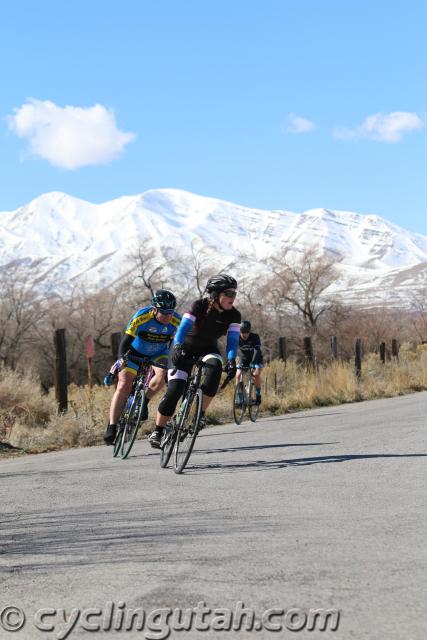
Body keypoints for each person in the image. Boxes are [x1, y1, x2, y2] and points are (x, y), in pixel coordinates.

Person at [149, 274, 241, 448]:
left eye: (234, 294)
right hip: (184, 348)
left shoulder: (234, 315)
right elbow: (183, 328)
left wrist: (231, 360)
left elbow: (233, 340)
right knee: (175, 390)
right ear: (215, 294)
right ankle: (158, 431)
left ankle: (200, 415)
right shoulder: (199, 305)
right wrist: (176, 346)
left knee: (215, 367)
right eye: (228, 293)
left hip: (207, 350)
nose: (232, 297)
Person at [103, 289, 181, 445]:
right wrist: (121, 360)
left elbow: (180, 343)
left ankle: (144, 402)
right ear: (154, 310)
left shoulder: (176, 320)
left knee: (162, 377)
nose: (167, 316)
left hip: (158, 354)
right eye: (163, 312)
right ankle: (112, 426)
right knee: (124, 382)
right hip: (135, 352)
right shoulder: (142, 316)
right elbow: (125, 341)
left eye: (170, 312)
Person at [236, 320, 263, 405]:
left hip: (256, 359)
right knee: (238, 375)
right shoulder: (237, 337)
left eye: (246, 332)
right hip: (244, 359)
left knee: (255, 374)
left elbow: (256, 350)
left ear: (249, 331)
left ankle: (258, 395)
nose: (244, 334)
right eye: (242, 332)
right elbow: (233, 349)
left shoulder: (254, 337)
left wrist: (253, 363)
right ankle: (240, 398)